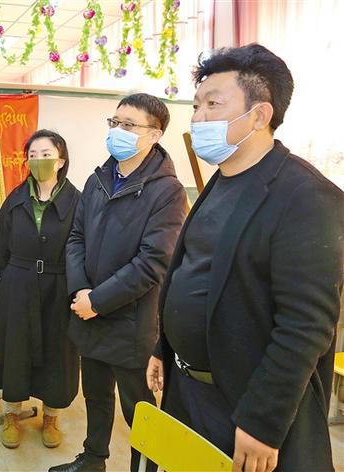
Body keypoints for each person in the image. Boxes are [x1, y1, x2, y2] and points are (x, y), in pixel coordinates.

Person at [147, 43, 343, 472]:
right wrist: (164, 348)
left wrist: (262, 421)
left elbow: (305, 326)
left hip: (244, 404)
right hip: (189, 390)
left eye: (213, 104)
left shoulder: (306, 197)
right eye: (196, 106)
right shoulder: (220, 182)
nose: (198, 117)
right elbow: (190, 273)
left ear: (259, 115)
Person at [51, 94, 187, 472]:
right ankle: (93, 459)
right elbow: (76, 238)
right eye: (114, 123)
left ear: (154, 134)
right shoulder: (98, 180)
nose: (117, 131)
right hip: (89, 313)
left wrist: (98, 301)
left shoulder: (167, 191)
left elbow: (153, 262)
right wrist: (81, 291)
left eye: (129, 125)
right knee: (95, 396)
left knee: (138, 411)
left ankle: (145, 468)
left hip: (131, 323)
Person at [0, 129, 81, 449]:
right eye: (33, 155)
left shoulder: (77, 202)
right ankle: (11, 415)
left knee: (58, 354)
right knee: (15, 351)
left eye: (46, 154)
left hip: (59, 287)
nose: (39, 160)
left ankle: (51, 418)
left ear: (61, 160)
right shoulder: (15, 199)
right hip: (17, 283)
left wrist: (82, 290)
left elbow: (84, 250)